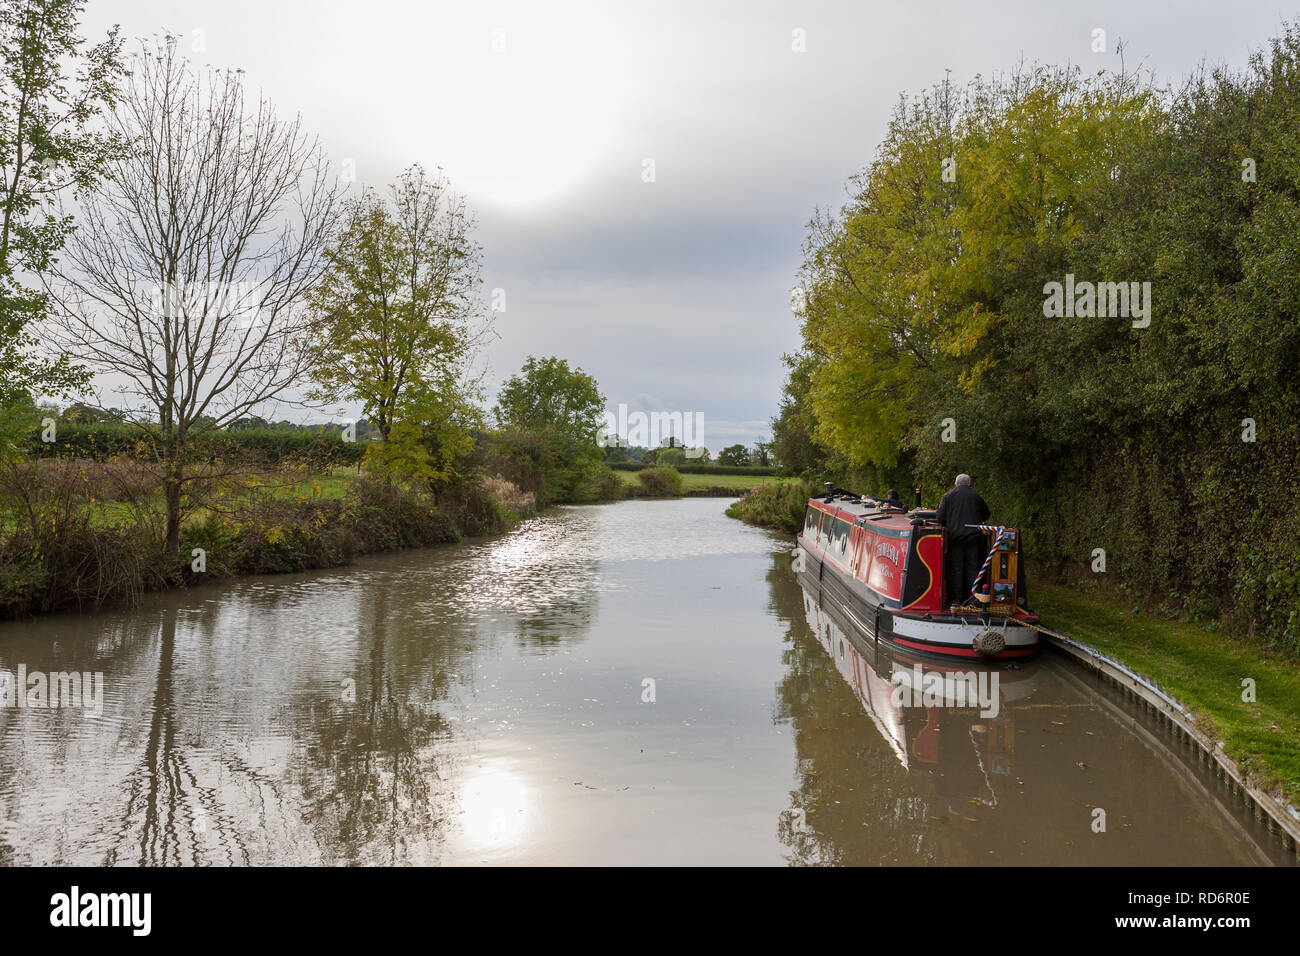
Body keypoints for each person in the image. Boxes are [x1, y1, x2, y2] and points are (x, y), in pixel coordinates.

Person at [935, 473, 990, 606]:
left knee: (956, 569)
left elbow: (940, 517)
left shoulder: (948, 496)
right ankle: (972, 597)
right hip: (973, 538)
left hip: (955, 538)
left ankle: (956, 599)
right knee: (972, 568)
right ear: (969, 484)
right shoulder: (976, 496)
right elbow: (986, 514)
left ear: (955, 484)